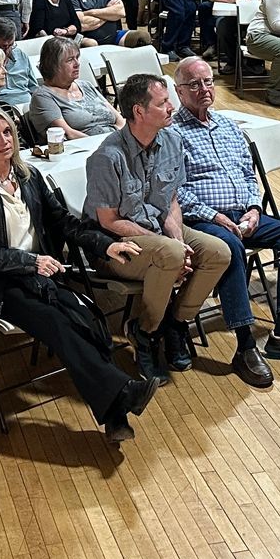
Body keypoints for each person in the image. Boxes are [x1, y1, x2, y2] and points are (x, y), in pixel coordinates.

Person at [0, 107, 154, 440]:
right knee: (58, 322)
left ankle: (115, 411)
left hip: (40, 276)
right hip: (0, 285)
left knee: (88, 317)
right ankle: (121, 400)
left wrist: (107, 245)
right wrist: (30, 262)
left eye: (7, 132)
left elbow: (65, 223)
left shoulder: (29, 177)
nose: (4, 141)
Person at [169, 57, 280, 385]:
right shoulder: (171, 134)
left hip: (245, 215)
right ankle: (244, 346)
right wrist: (215, 216)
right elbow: (174, 192)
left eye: (208, 81)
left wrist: (255, 208)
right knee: (230, 248)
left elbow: (247, 174)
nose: (204, 89)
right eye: (194, 84)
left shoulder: (228, 126)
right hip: (203, 220)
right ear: (179, 91)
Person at [83, 73, 233, 383]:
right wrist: (172, 247)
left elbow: (171, 200)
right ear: (139, 111)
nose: (171, 107)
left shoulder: (172, 141)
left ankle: (176, 323)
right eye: (163, 103)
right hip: (116, 244)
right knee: (170, 254)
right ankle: (145, 332)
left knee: (219, 251)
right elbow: (109, 221)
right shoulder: (107, 157)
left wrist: (178, 239)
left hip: (160, 231)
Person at [30, 36, 122, 139]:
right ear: (53, 65)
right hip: (88, 145)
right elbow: (68, 134)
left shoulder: (86, 85)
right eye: (70, 60)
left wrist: (122, 137)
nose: (77, 64)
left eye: (77, 58)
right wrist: (108, 143)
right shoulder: (43, 96)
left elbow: (119, 119)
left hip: (117, 140)